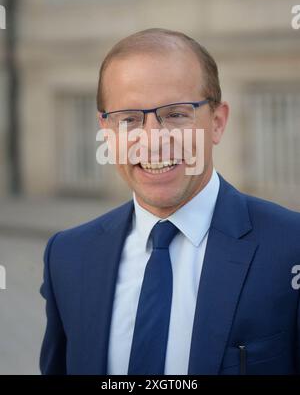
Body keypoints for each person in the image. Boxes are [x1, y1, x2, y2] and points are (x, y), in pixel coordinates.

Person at [40, 28, 300, 375]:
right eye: (129, 119)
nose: (152, 142)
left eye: (176, 114)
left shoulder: (291, 247)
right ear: (106, 130)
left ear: (218, 123)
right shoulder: (67, 256)